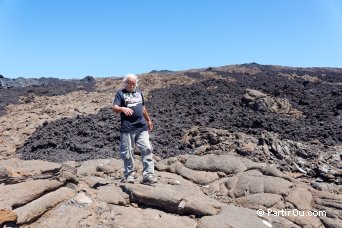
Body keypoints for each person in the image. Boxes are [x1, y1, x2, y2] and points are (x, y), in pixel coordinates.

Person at [112, 73, 158, 184]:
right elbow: (114, 107)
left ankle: (148, 176)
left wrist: (148, 120)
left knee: (147, 149)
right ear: (125, 83)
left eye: (133, 83)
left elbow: (143, 108)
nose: (131, 85)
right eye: (129, 83)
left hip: (141, 127)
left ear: (135, 84)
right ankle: (129, 176)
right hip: (127, 128)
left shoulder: (139, 93)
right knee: (128, 153)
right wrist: (122, 109)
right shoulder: (120, 94)